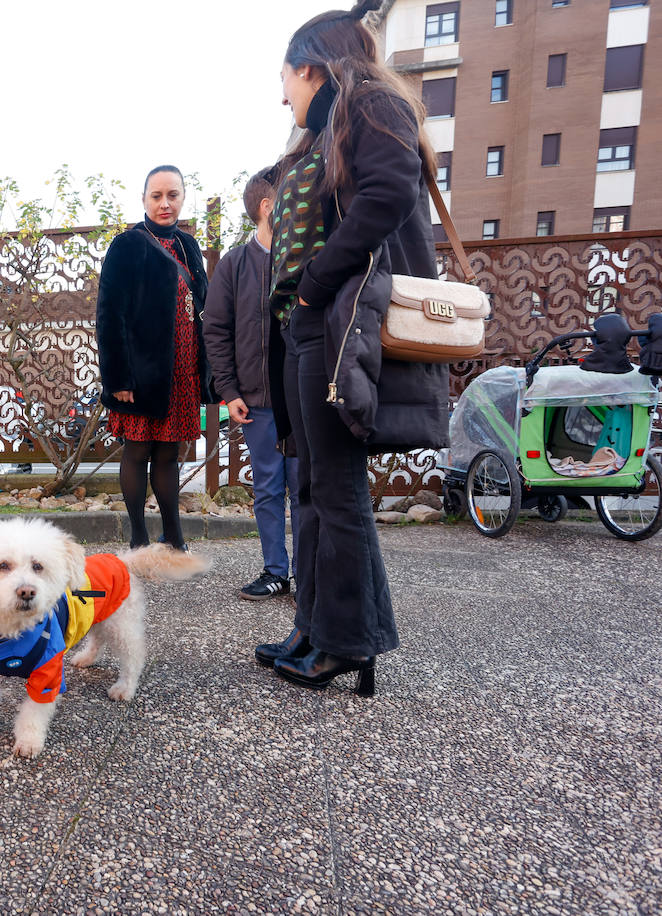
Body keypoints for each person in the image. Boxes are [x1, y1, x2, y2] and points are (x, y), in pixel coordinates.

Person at [254, 0, 450, 693]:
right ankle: (318, 624)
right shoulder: (327, 126)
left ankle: (349, 641)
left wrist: (314, 283)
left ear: (312, 66)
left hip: (331, 320)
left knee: (335, 489)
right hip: (307, 328)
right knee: (311, 486)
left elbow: (390, 191)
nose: (282, 93)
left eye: (285, 78)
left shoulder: (368, 101)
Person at [97, 166, 211, 552]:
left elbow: (203, 307)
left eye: (173, 195)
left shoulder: (188, 246)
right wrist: (119, 378)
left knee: (168, 452)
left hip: (180, 369)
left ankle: (174, 537)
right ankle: (138, 538)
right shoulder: (128, 244)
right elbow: (109, 315)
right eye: (156, 196)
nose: (165, 203)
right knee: (138, 449)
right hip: (140, 372)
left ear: (182, 197)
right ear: (144, 199)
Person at [202, 167, 299, 600]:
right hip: (257, 402)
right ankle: (276, 571)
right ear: (267, 207)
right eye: (289, 198)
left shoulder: (305, 258)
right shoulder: (234, 266)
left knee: (306, 490)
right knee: (268, 489)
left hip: (303, 399)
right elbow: (216, 331)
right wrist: (230, 391)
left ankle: (309, 576)